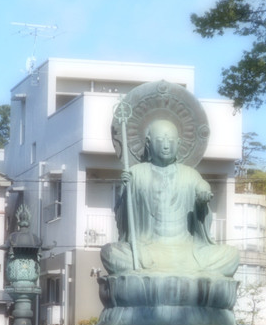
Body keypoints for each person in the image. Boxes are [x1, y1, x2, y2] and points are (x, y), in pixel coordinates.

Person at [101, 118, 239, 277]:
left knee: (231, 254)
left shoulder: (190, 174)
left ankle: (155, 275)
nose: (166, 145)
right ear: (148, 143)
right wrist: (124, 193)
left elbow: (202, 188)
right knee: (110, 252)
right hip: (147, 251)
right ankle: (180, 275)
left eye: (171, 141)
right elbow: (124, 221)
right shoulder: (136, 173)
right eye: (160, 140)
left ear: (179, 143)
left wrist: (202, 198)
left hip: (187, 252)